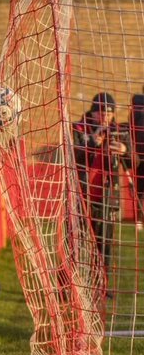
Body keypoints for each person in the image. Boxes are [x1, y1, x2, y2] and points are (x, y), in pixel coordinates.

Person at [72, 92, 131, 291]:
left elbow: (134, 163)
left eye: (109, 112)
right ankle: (75, 285)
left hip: (107, 197)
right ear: (93, 112)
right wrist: (91, 144)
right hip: (81, 194)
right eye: (100, 112)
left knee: (103, 246)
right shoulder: (78, 128)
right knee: (77, 243)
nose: (105, 116)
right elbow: (73, 155)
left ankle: (102, 288)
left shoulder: (120, 132)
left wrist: (124, 150)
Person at [129, 93, 144, 229]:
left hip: (139, 153)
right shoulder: (138, 108)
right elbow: (132, 130)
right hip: (140, 156)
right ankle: (139, 218)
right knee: (140, 188)